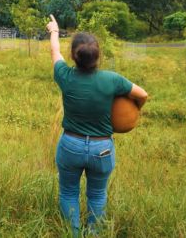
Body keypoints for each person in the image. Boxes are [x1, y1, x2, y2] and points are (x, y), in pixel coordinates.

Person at [46, 15, 149, 235]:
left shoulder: (65, 76)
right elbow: (143, 94)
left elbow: (55, 53)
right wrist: (133, 111)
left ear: (74, 55)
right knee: (97, 194)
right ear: (98, 56)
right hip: (101, 149)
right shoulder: (112, 80)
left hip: (70, 145)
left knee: (68, 193)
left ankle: (72, 233)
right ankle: (94, 233)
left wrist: (54, 30)